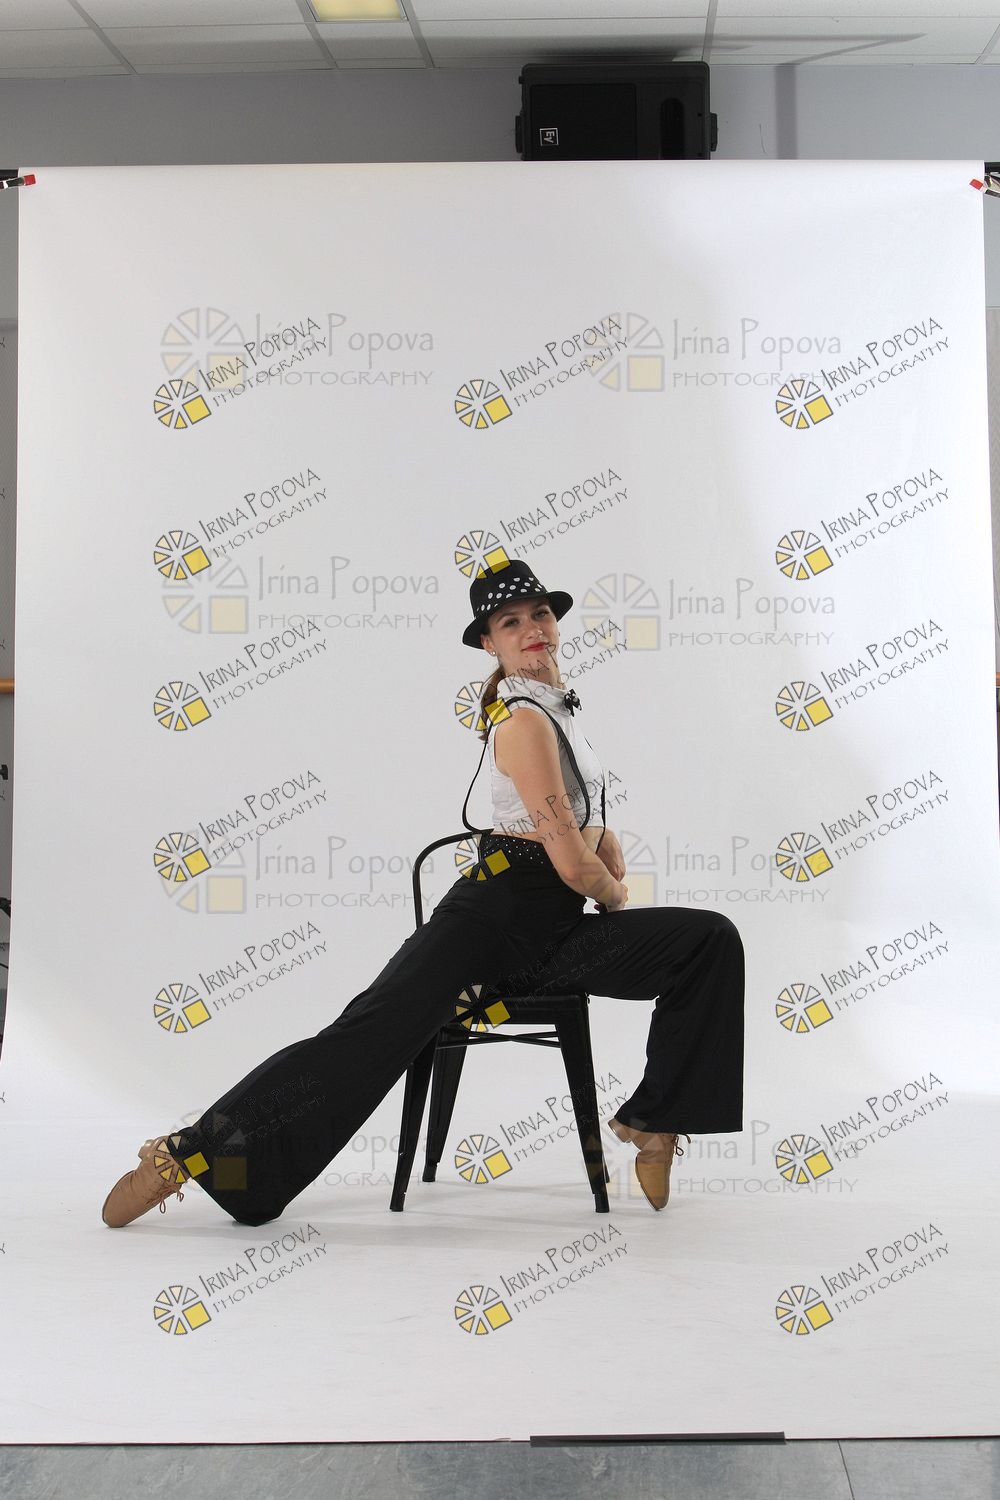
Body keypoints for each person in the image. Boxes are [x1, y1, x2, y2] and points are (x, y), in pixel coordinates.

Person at [101, 560, 744, 1228]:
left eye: (539, 614)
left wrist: (600, 835)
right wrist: (611, 893)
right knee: (362, 1040)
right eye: (510, 622)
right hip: (487, 927)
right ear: (489, 643)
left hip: (547, 934)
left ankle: (655, 1121)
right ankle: (185, 1156)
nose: (531, 628)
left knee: (708, 942)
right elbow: (568, 864)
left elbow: (564, 821)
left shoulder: (560, 709)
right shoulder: (523, 722)